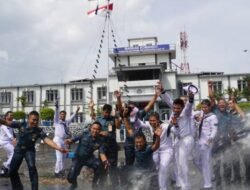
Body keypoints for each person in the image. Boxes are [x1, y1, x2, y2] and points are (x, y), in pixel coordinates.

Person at [0, 110, 67, 190]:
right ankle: (17, 187)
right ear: (29, 119)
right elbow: (7, 123)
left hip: (30, 151)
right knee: (12, 170)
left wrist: (58, 148)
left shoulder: (38, 130)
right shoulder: (21, 124)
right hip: (19, 150)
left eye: (37, 120)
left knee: (32, 168)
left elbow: (47, 140)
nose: (35, 122)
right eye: (33, 120)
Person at [65, 121, 108, 190]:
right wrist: (69, 141)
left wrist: (105, 161)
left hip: (89, 158)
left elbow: (102, 152)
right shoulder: (84, 134)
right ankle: (74, 183)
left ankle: (94, 184)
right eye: (94, 128)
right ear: (91, 128)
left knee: (99, 165)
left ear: (100, 130)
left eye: (97, 129)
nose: (95, 131)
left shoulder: (100, 140)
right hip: (78, 158)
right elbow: (73, 139)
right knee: (70, 177)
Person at [208, 81, 232, 187]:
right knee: (217, 162)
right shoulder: (215, 111)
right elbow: (212, 99)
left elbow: (231, 128)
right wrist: (210, 87)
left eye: (224, 103)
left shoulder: (228, 115)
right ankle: (218, 182)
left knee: (227, 161)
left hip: (227, 141)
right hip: (216, 141)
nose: (222, 104)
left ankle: (227, 181)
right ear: (218, 105)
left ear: (226, 105)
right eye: (220, 103)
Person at [193, 99, 218, 190]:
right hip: (199, 141)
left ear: (209, 107)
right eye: (202, 107)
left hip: (207, 141)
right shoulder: (201, 114)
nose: (203, 109)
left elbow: (214, 129)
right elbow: (191, 114)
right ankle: (210, 176)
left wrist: (211, 138)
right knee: (195, 161)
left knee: (205, 163)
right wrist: (195, 118)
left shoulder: (213, 117)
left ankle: (208, 185)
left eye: (205, 107)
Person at [53, 98, 80, 178]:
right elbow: (56, 114)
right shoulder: (57, 121)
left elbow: (72, 117)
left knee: (64, 156)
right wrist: (57, 107)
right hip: (57, 140)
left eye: (64, 114)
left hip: (64, 141)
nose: (62, 115)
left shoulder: (66, 122)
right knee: (59, 157)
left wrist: (77, 111)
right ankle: (57, 172)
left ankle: (61, 170)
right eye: (61, 114)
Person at [96, 104, 120, 190]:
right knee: (102, 166)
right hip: (102, 145)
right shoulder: (99, 119)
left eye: (108, 112)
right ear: (103, 111)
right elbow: (94, 130)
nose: (106, 114)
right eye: (105, 112)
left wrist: (116, 115)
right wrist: (101, 133)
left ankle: (115, 186)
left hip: (112, 145)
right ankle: (102, 185)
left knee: (113, 166)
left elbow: (118, 126)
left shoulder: (113, 119)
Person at [149, 112, 175, 190]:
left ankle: (163, 188)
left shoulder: (166, 127)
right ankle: (158, 184)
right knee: (154, 167)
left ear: (158, 120)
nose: (152, 122)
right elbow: (139, 123)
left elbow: (174, 128)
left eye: (154, 120)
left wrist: (175, 124)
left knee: (163, 168)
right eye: (150, 120)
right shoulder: (149, 125)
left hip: (166, 150)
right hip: (156, 150)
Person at [0, 111, 16, 176]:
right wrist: (14, 140)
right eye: (10, 115)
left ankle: (6, 170)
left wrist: (14, 138)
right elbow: (9, 135)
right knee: (14, 152)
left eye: (12, 115)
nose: (12, 116)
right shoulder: (4, 125)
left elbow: (12, 134)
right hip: (4, 142)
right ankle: (5, 165)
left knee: (10, 155)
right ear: (6, 116)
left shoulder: (10, 124)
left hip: (8, 142)